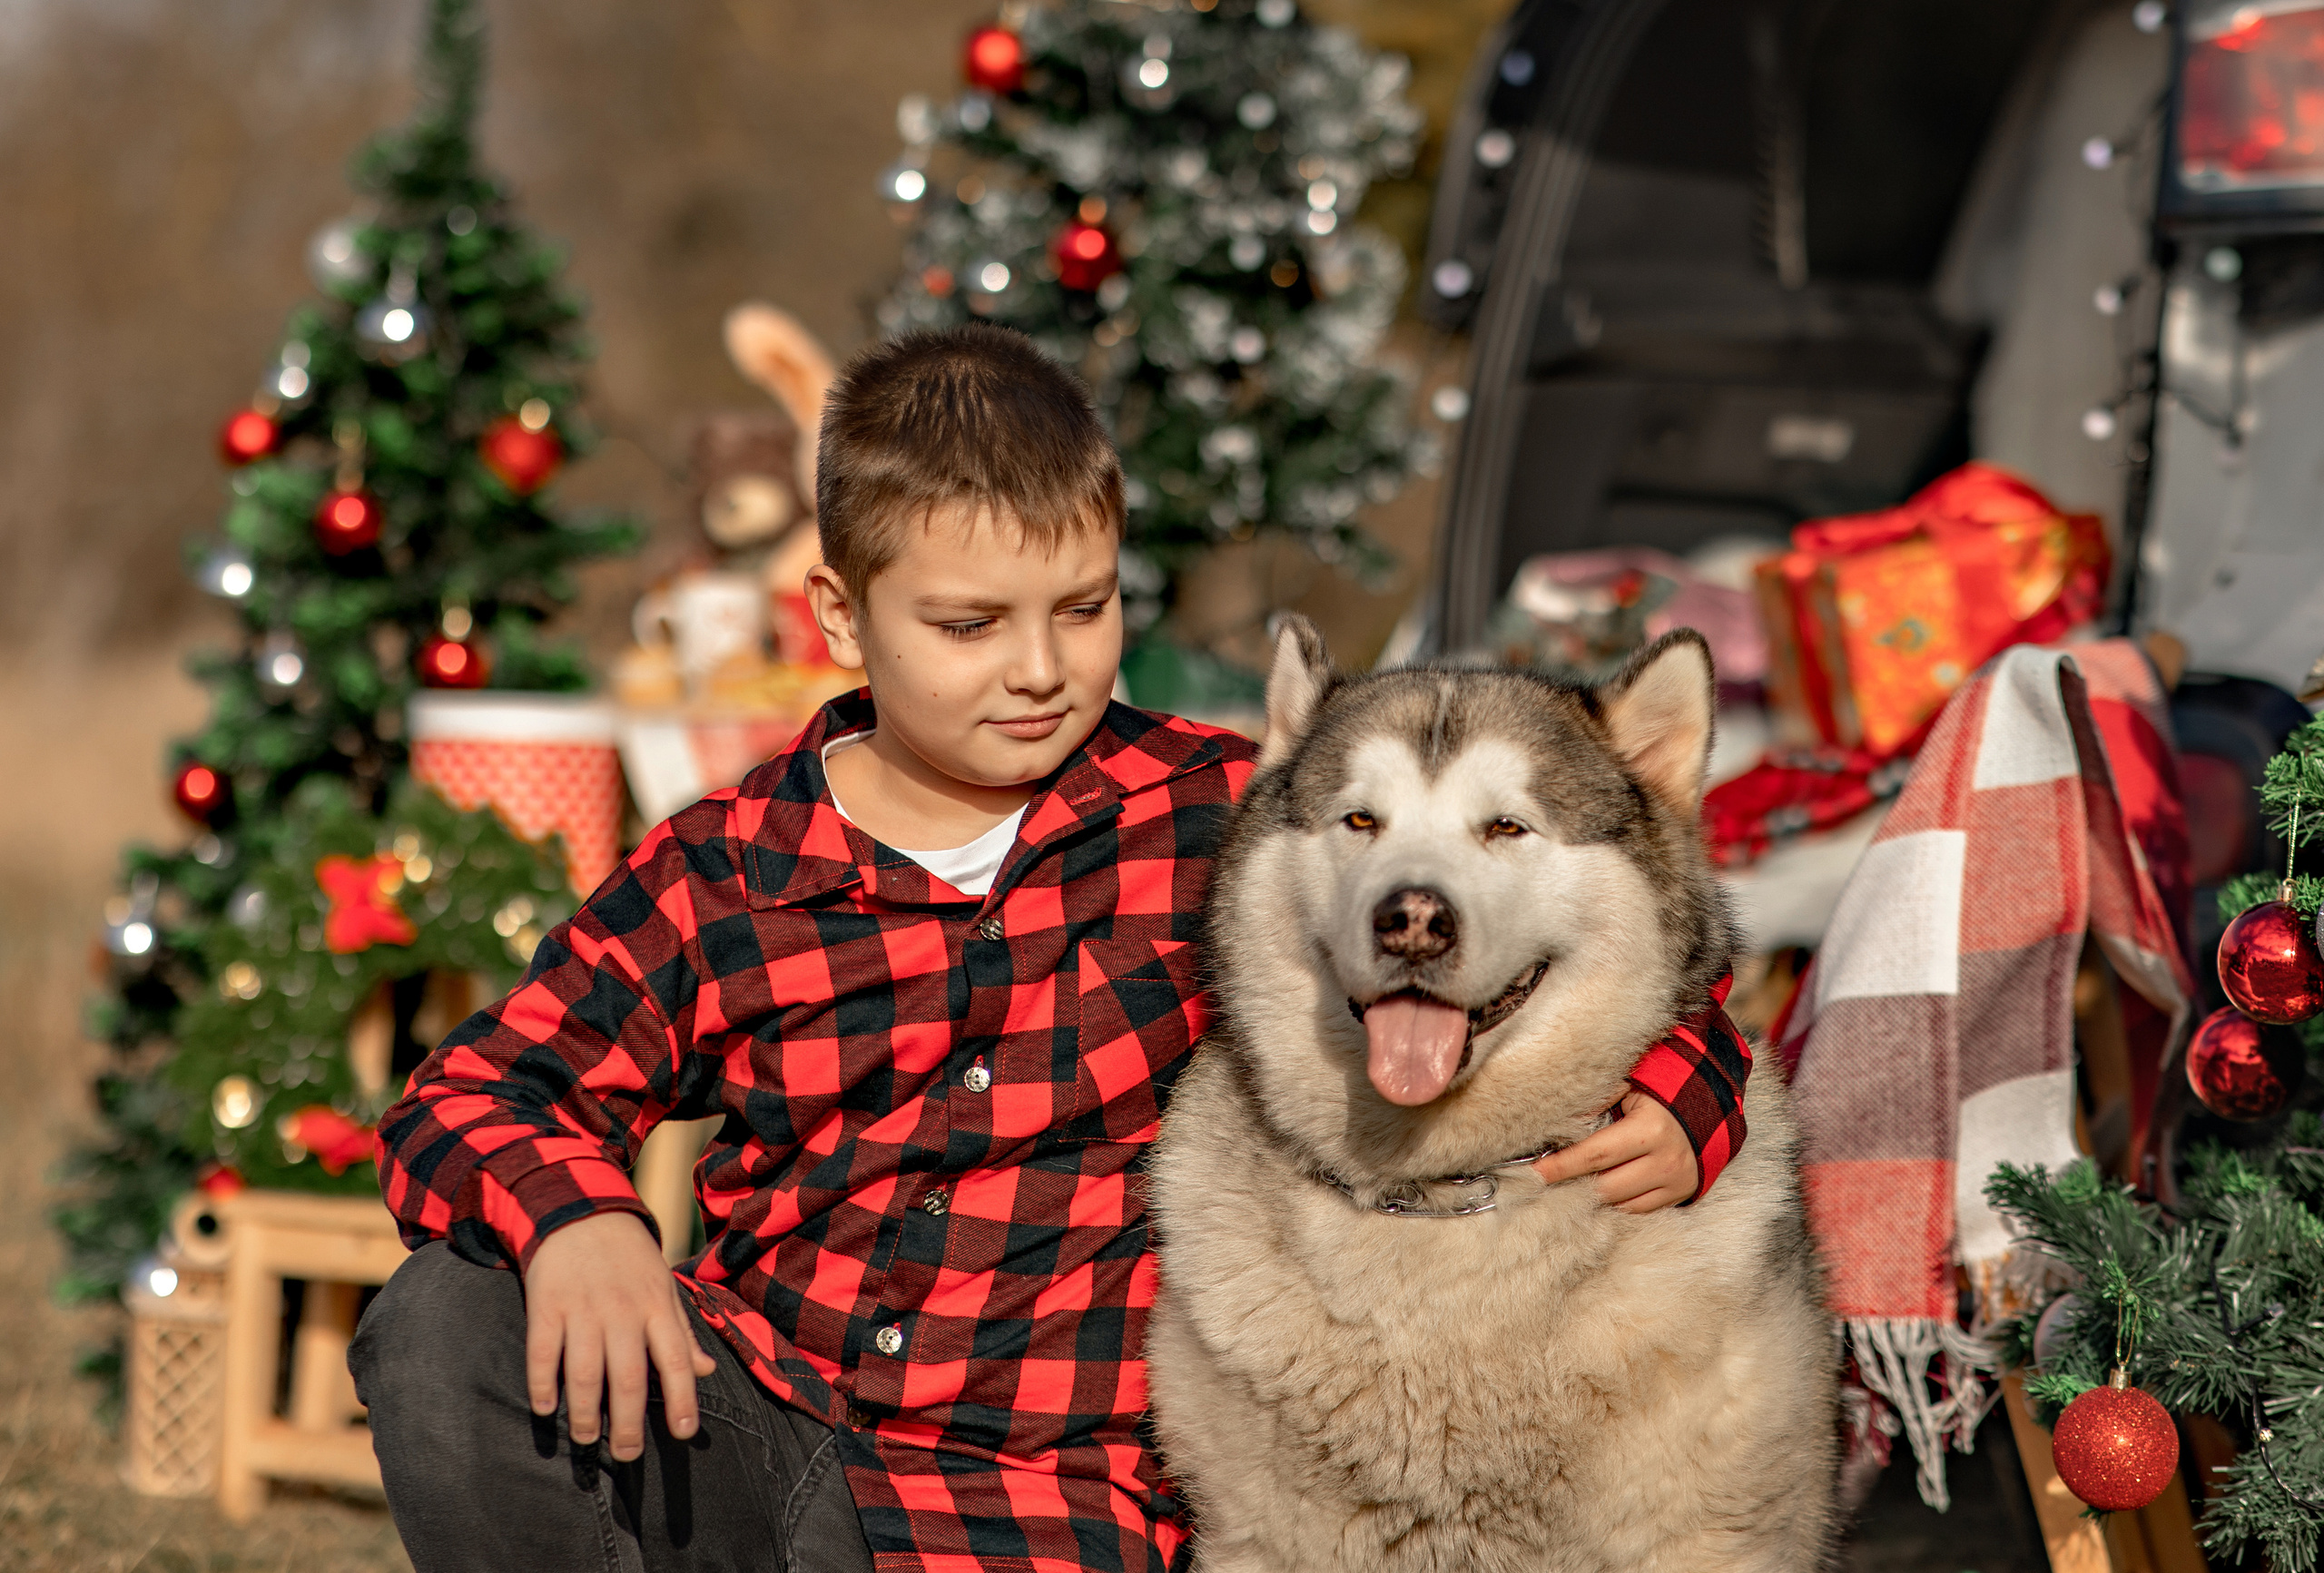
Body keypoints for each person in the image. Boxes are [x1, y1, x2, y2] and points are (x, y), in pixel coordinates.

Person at [352, 323, 1751, 1573]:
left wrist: (1690, 1083)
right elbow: (471, 1093)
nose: (1040, 667)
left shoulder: (1219, 812)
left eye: (1083, 608)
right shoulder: (727, 865)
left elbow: (1612, 937)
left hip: (1035, 1514)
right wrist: (581, 1219)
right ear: (840, 615)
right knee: (439, 1329)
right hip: (754, 1429)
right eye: (969, 625)